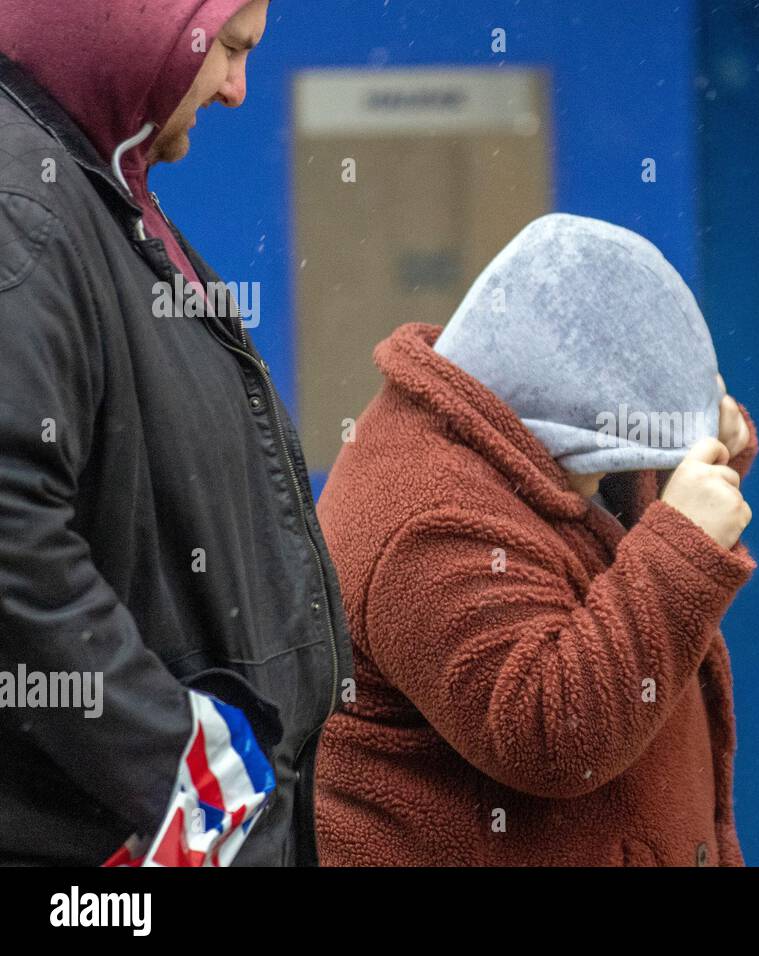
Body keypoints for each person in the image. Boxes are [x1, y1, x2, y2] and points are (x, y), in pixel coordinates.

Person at [0, 0, 352, 866]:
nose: (238, 90)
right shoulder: (27, 210)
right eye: (231, 48)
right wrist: (177, 769)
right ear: (138, 21)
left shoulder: (92, 197)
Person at [314, 213, 757, 866]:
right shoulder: (426, 518)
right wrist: (682, 543)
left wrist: (679, 460)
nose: (607, 477)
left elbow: (592, 543)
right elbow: (552, 735)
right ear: (566, 419)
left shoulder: (494, 428)